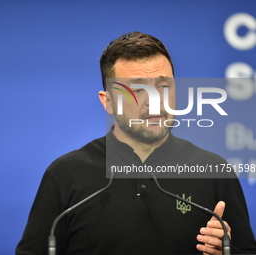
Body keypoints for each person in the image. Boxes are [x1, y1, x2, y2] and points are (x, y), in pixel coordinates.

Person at [16, 32, 256, 255]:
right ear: (108, 102)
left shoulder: (214, 171)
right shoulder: (65, 175)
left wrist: (226, 251)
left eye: (163, 87)